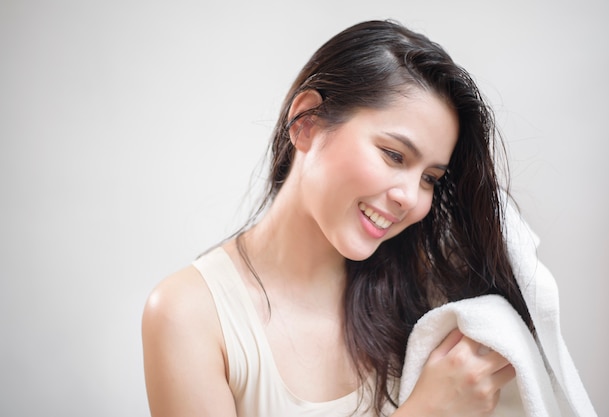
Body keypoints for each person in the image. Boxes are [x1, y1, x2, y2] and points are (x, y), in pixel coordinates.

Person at [142, 20, 535, 417]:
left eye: (430, 179)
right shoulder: (189, 314)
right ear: (308, 122)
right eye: (394, 155)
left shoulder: (430, 298)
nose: (410, 198)